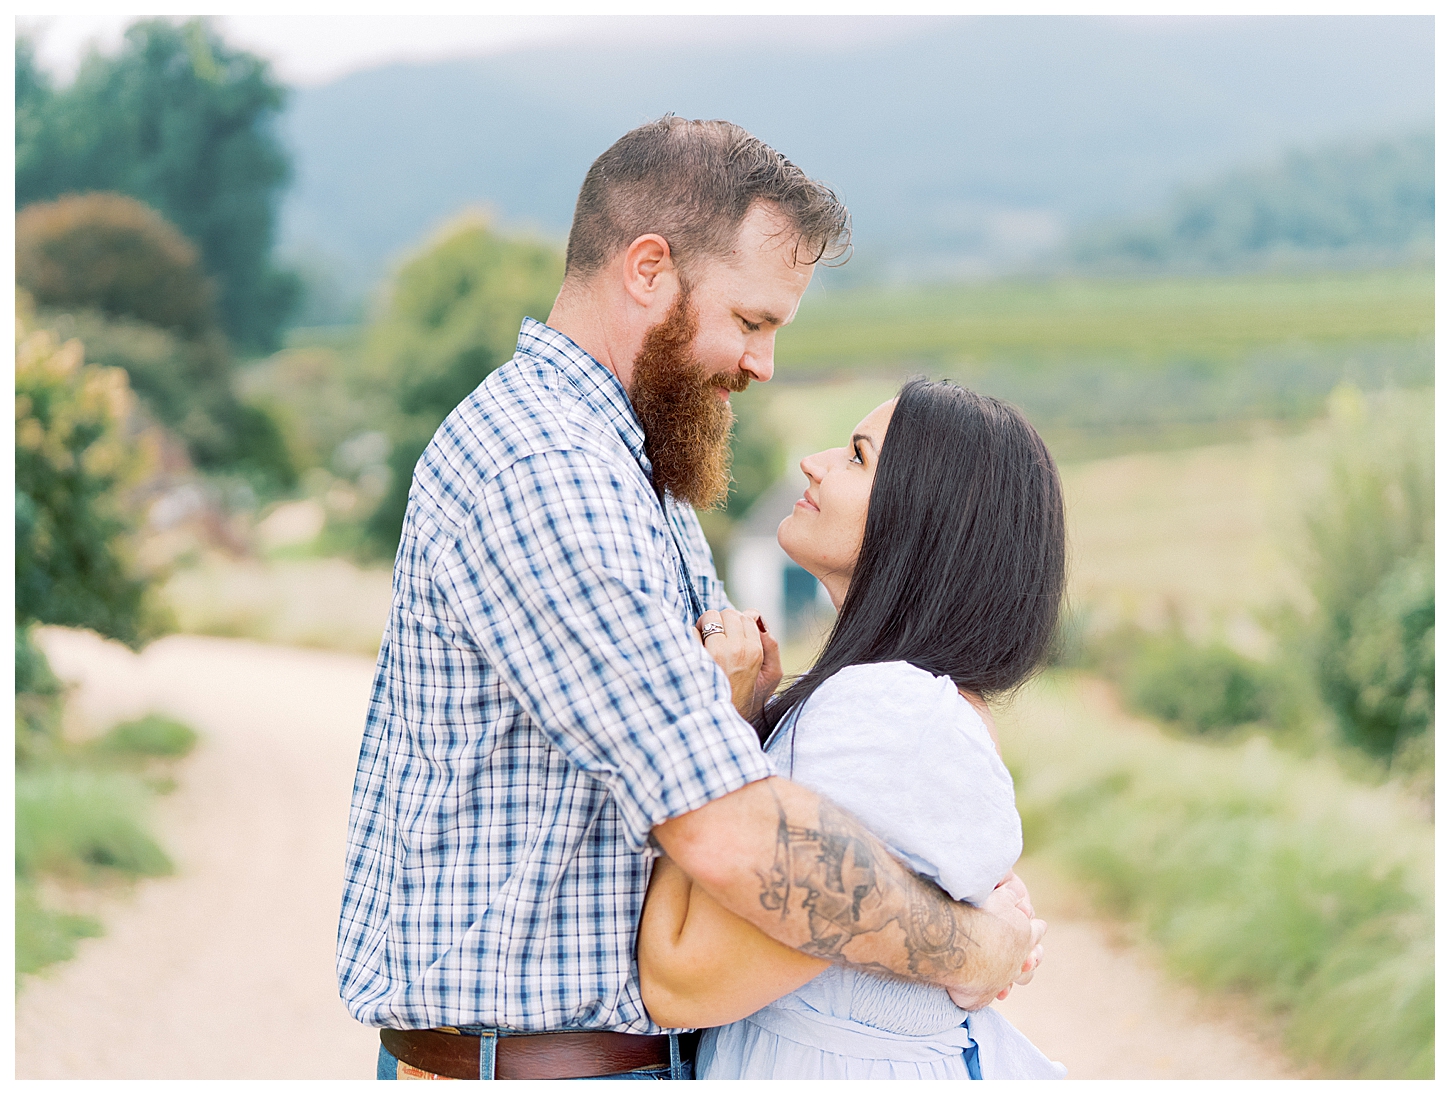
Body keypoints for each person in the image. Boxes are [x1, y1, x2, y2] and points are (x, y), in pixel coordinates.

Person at [336, 117, 1044, 1081]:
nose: (761, 364)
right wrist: (976, 946)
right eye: (751, 322)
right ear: (648, 270)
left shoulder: (639, 475)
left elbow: (725, 737)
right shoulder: (552, 474)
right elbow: (729, 830)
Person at [637, 379, 1069, 1079]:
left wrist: (707, 720)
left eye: (857, 457)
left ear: (922, 522)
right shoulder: (899, 706)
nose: (814, 461)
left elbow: (681, 977)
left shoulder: (887, 717)